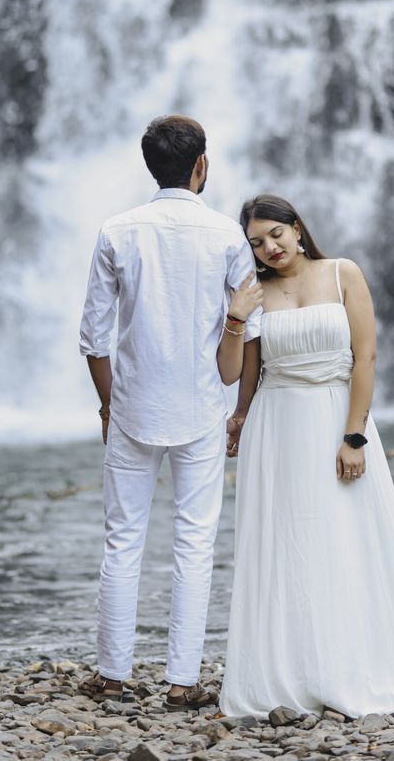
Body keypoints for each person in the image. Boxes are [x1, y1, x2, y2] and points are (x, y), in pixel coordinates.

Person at [220, 194, 394, 719]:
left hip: (337, 419)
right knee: (285, 547)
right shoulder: (253, 293)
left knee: (347, 540)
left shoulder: (343, 273)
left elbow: (365, 357)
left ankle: (355, 666)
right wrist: (235, 317)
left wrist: (354, 436)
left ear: (297, 227)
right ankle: (287, 674)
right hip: (276, 427)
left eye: (276, 233)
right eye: (256, 242)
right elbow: (235, 375)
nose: (269, 247)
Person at [78, 115, 263, 710]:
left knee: (122, 539)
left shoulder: (116, 231)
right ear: (201, 166)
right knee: (195, 542)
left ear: (150, 166)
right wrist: (240, 411)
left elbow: (93, 338)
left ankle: (112, 675)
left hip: (132, 407)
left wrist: (108, 405)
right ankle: (182, 682)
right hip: (203, 407)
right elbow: (247, 331)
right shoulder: (227, 238)